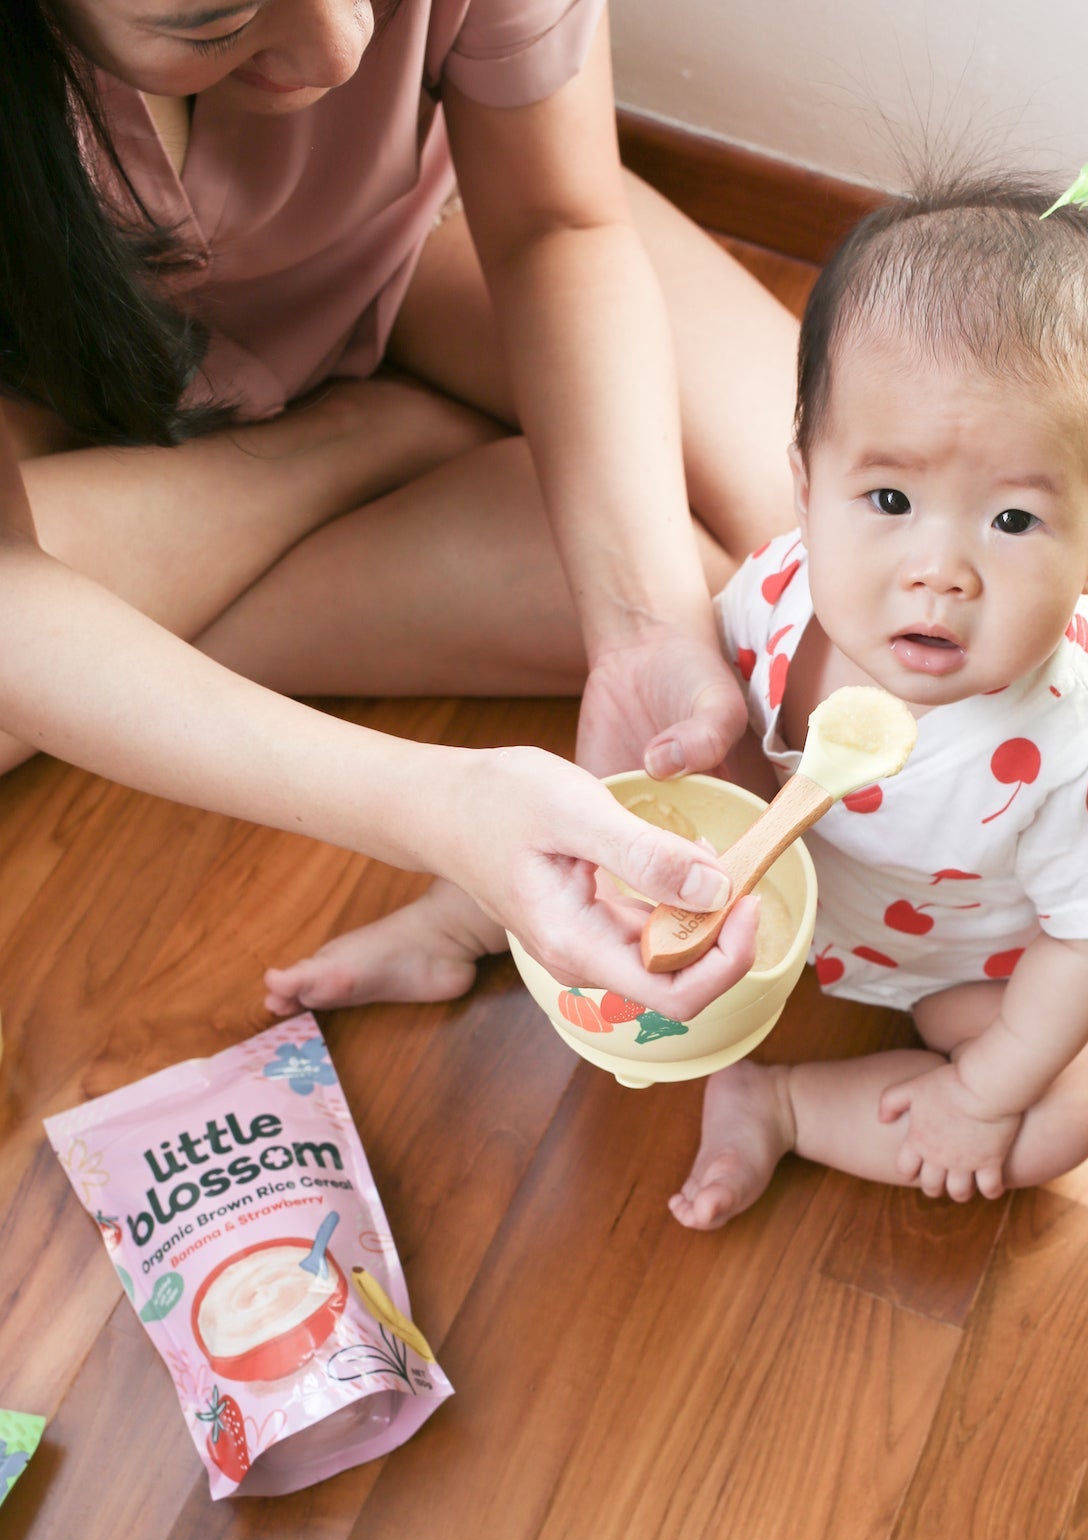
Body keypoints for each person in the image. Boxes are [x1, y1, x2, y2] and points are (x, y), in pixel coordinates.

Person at [1, 0, 800, 1010]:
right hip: (51, 390)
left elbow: (556, 222)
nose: (344, 53)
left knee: (789, 587)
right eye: (212, 21)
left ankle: (135, 642)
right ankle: (350, 443)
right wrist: (437, 805)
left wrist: (643, 625)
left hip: (426, 236)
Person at [665, 177, 1088, 1226]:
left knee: (1064, 1114)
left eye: (1011, 518)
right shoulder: (781, 592)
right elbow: (710, 708)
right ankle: (469, 911)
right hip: (786, 887)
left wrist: (982, 1086)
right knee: (596, 832)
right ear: (806, 481)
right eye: (892, 500)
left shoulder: (1082, 750)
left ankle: (779, 1106)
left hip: (962, 960)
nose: (938, 570)